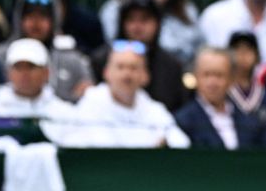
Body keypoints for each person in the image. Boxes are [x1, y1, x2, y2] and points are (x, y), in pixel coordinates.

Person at [43, 40, 190, 149]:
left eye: (133, 68)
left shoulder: (155, 110)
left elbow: (181, 143)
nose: (127, 74)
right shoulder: (90, 104)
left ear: (145, 76)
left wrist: (166, 143)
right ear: (106, 72)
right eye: (120, 67)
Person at [0, 0, 93, 102]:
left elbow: (87, 95)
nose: (36, 22)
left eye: (43, 16)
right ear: (19, 19)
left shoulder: (73, 60)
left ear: (54, 20)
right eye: (29, 15)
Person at [91, 0, 186, 112]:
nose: (137, 26)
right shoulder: (101, 59)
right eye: (131, 19)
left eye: (144, 19)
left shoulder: (171, 66)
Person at [173, 47, 263, 150]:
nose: (212, 82)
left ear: (231, 79)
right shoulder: (183, 122)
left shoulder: (249, 121)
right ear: (196, 77)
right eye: (206, 75)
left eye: (219, 75)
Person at [0, 38, 75, 120]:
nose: (24, 73)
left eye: (31, 67)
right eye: (18, 67)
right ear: (8, 73)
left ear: (46, 73)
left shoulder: (66, 115)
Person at [227, 30, 266, 124]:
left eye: (248, 49)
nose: (243, 54)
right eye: (237, 49)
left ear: (257, 56)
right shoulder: (222, 94)